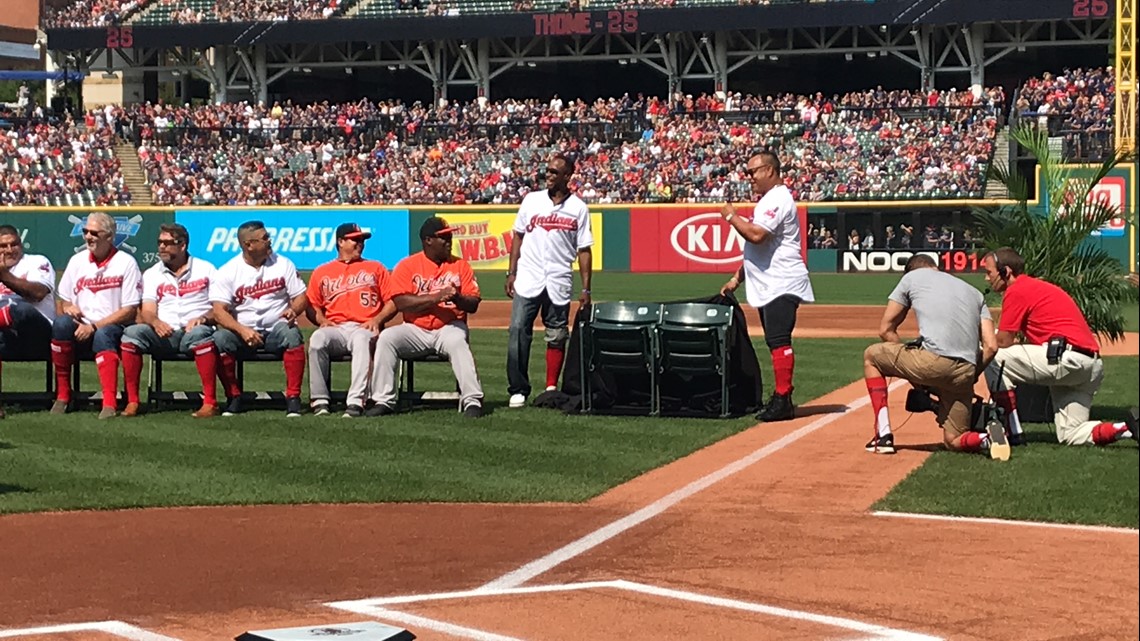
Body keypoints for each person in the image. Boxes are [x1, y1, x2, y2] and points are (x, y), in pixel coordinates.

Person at [981, 247, 1136, 446]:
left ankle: (1012, 430)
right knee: (1071, 434)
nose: (987, 278)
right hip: (1090, 365)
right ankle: (1127, 428)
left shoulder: (1017, 290)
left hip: (1066, 359)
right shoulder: (1036, 286)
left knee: (994, 357)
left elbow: (1003, 342)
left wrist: (981, 336)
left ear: (1006, 271)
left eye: (989, 272)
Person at [862, 254, 1006, 459]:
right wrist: (972, 374)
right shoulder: (975, 293)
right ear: (935, 267)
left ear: (912, 269)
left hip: (931, 363)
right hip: (965, 371)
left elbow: (886, 330)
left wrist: (916, 379)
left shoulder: (911, 278)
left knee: (871, 356)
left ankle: (882, 435)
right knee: (954, 440)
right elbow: (991, 346)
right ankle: (986, 438)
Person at [720, 150, 814, 422]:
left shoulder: (777, 198)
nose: (749, 177)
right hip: (772, 281)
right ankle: (782, 397)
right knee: (776, 340)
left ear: (770, 171)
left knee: (778, 340)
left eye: (753, 172)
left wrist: (730, 217)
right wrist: (737, 278)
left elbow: (757, 236)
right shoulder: (769, 200)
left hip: (782, 281)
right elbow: (756, 250)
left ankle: (783, 399)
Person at [368, 217, 484, 418]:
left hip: (449, 326)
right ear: (428, 240)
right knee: (387, 338)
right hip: (415, 329)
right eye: (443, 237)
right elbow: (401, 302)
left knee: (458, 341)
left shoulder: (461, 265)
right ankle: (383, 400)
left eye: (450, 236)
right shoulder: (407, 265)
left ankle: (472, 399)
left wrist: (457, 298)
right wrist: (435, 297)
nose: (449, 240)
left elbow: (473, 304)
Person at [505, 152, 593, 408]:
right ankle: (518, 388)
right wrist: (511, 272)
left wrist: (586, 288)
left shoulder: (578, 207)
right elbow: (518, 237)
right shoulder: (531, 201)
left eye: (555, 172)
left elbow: (584, 250)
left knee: (556, 335)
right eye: (548, 171)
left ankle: (551, 386)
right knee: (518, 330)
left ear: (567, 176)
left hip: (558, 278)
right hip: (529, 276)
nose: (549, 175)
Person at [120, 223, 220, 418]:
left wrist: (203, 318)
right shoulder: (152, 274)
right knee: (132, 333)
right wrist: (156, 323)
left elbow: (219, 308)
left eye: (167, 243)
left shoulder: (206, 269)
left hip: (195, 331)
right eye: (160, 243)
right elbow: (147, 310)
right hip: (163, 333)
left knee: (200, 334)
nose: (162, 247)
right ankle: (133, 401)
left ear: (182, 245)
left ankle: (210, 402)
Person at [209, 220, 308, 417]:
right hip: (243, 333)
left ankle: (293, 398)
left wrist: (294, 310)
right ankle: (234, 397)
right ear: (249, 245)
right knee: (220, 339)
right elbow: (219, 311)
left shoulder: (283, 263)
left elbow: (301, 297)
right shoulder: (228, 271)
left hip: (276, 329)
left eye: (268, 236)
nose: (270, 241)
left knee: (292, 334)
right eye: (264, 238)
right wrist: (242, 330)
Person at [51, 212, 142, 418]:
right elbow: (63, 299)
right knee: (61, 325)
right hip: (80, 326)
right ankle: (63, 395)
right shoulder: (77, 261)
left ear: (109, 237)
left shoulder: (126, 262)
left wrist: (94, 326)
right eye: (85, 232)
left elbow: (129, 309)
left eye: (94, 233)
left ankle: (109, 402)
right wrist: (68, 307)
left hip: (113, 326)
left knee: (104, 334)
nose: (88, 237)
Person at [306, 222, 396, 418]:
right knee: (317, 339)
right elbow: (312, 305)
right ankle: (320, 400)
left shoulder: (375, 267)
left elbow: (392, 301)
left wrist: (377, 319)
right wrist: (321, 319)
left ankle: (356, 401)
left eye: (362, 240)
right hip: (336, 328)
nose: (360, 243)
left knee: (362, 340)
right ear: (340, 242)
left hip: (364, 326)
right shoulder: (322, 271)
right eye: (355, 240)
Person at [0, 224, 56, 419]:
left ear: (21, 244)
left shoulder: (36, 262)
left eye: (13, 244)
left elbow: (38, 293)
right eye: (3, 246)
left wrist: (4, 276)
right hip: (5, 339)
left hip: (38, 335)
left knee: (20, 309)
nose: (9, 250)